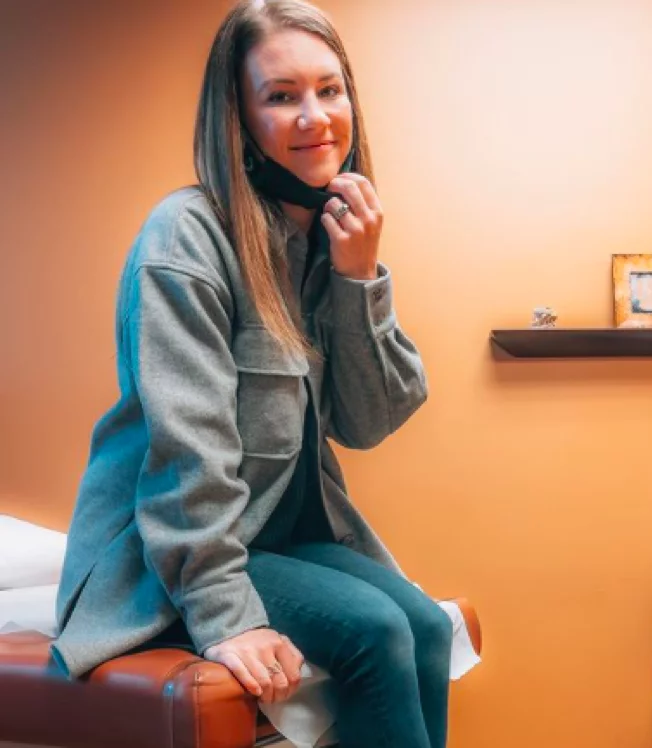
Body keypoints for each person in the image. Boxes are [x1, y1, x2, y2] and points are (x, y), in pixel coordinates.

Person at [52, 1, 454, 747]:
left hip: (277, 539)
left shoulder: (331, 240)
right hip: (166, 552)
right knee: (374, 630)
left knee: (426, 625)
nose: (315, 117)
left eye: (329, 90)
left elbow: (368, 422)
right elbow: (187, 452)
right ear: (237, 118)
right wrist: (224, 614)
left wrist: (358, 279)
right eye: (281, 95)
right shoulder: (186, 237)